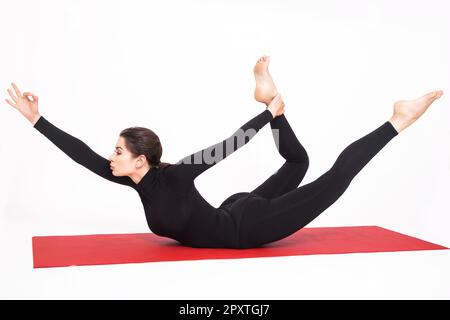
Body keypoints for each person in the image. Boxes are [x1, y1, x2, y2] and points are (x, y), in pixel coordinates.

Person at [5, 56, 444, 249]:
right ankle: (274, 105)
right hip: (237, 215)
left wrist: (265, 116)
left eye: (118, 151)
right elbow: (80, 154)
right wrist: (35, 120)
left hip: (247, 225)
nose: (110, 157)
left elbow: (226, 148)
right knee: (302, 164)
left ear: (141, 159)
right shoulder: (133, 180)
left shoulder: (173, 175)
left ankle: (397, 119)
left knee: (325, 176)